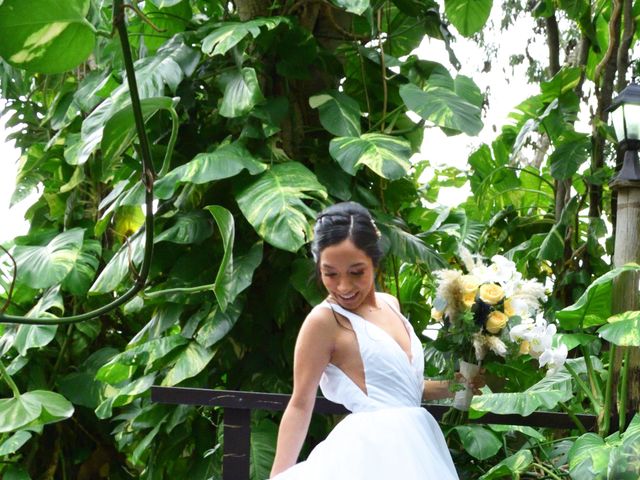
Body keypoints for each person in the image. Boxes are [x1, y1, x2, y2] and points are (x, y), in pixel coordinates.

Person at [269, 201, 483, 479]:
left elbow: (401, 390)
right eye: (330, 274)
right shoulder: (323, 322)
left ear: (374, 260)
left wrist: (458, 385)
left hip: (417, 448)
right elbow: (300, 403)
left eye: (356, 272)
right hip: (369, 455)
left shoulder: (390, 303)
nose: (343, 286)